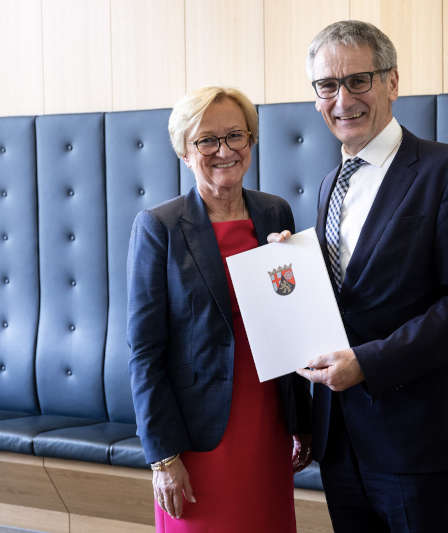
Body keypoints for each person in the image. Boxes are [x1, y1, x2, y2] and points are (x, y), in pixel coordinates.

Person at [271, 20, 448, 532]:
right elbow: (346, 298)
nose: (342, 99)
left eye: (358, 80)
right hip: (339, 439)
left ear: (392, 83)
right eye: (327, 86)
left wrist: (368, 364)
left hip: (417, 440)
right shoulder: (330, 183)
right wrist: (291, 268)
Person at [127, 86, 312, 533]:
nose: (224, 150)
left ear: (250, 141)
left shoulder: (274, 212)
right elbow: (144, 352)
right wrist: (163, 457)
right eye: (206, 140)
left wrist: (304, 422)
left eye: (235, 135)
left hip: (269, 426)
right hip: (197, 440)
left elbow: (294, 323)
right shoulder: (159, 227)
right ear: (185, 153)